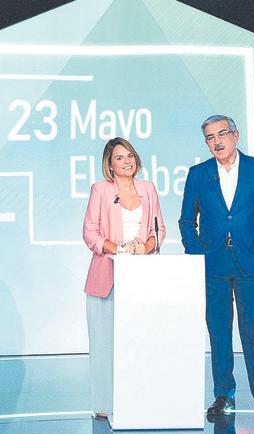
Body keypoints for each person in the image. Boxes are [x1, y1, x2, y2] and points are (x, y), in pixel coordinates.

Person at [179, 115, 254, 422]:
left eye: (222, 134)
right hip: (212, 265)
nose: (217, 141)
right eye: (210, 137)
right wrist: (196, 251)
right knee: (219, 331)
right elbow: (187, 220)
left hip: (252, 262)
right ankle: (223, 394)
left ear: (235, 136)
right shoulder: (198, 174)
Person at [82, 137, 165, 418]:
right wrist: (117, 249)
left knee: (140, 340)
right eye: (119, 157)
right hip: (108, 276)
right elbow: (90, 233)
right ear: (110, 164)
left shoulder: (148, 189)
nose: (127, 161)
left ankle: (139, 400)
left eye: (130, 155)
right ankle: (106, 406)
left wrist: (147, 247)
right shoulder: (101, 190)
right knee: (106, 342)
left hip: (142, 277)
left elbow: (159, 230)